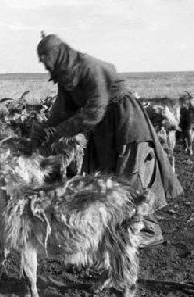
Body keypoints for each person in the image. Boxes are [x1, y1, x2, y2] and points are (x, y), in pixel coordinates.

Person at [31, 32, 183, 247]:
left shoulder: (90, 67)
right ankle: (120, 227)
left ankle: (148, 229)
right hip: (104, 132)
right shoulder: (66, 78)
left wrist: (57, 132)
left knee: (131, 178)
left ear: (57, 55)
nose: (46, 67)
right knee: (109, 179)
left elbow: (94, 110)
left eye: (47, 61)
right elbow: (60, 112)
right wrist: (41, 134)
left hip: (125, 123)